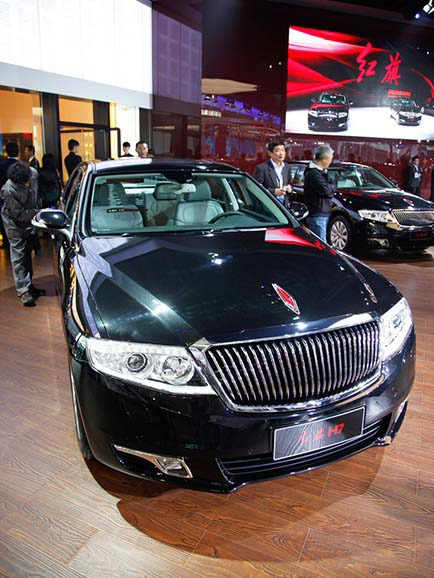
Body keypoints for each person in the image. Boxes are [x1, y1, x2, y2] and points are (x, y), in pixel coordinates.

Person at [0, 162, 46, 306]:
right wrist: (38, 213)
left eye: (28, 182)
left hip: (30, 219)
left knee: (27, 253)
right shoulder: (8, 190)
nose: (27, 185)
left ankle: (29, 284)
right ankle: (23, 290)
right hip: (14, 224)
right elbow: (18, 215)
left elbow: (36, 193)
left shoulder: (32, 173)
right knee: (19, 255)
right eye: (23, 184)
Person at [304, 145, 337, 242]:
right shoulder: (313, 173)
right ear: (325, 158)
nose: (331, 162)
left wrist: (330, 187)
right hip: (317, 214)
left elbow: (333, 185)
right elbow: (327, 191)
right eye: (331, 159)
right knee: (321, 244)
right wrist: (331, 187)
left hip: (322, 213)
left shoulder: (322, 172)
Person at [252, 140, 292, 205]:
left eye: (283, 150)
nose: (281, 153)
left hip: (283, 206)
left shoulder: (287, 167)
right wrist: (274, 192)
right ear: (270, 153)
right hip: (268, 206)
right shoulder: (261, 168)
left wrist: (290, 189)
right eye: (278, 150)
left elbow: (289, 183)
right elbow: (256, 189)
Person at [0, 142, 20, 249]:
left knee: (5, 218)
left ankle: (7, 241)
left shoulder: (2, 165)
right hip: (20, 198)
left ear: (6, 152)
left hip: (4, 197)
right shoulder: (22, 166)